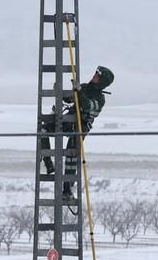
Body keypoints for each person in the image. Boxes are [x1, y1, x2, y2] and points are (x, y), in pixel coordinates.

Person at [41, 66, 114, 199]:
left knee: (72, 154)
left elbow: (86, 105)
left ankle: (67, 189)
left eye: (97, 76)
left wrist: (79, 92)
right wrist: (61, 93)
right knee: (43, 131)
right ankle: (48, 162)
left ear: (102, 81)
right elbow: (70, 99)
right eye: (95, 74)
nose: (94, 76)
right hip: (68, 120)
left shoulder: (100, 99)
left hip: (80, 128)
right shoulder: (85, 87)